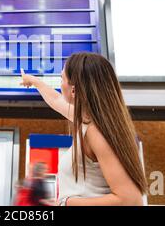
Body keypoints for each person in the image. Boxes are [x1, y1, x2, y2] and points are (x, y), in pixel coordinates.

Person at [20, 52, 147, 206]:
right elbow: (55, 99)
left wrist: (66, 203)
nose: (60, 85)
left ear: (73, 90)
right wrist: (33, 81)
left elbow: (130, 200)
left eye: (62, 79)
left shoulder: (96, 132)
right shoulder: (90, 121)